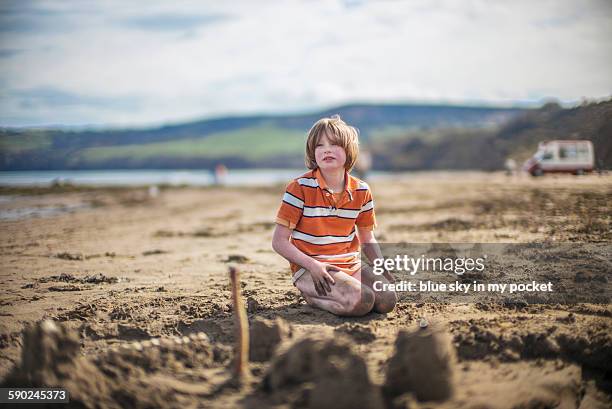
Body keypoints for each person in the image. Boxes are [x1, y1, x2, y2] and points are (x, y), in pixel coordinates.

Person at [272, 115, 396, 316]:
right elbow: (279, 241)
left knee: (387, 300)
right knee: (363, 301)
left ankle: (339, 292)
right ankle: (313, 298)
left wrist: (382, 268)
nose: (327, 149)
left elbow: (367, 238)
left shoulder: (361, 190)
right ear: (313, 152)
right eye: (320, 145)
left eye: (335, 144)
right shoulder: (299, 188)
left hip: (349, 264)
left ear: (349, 151)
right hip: (311, 269)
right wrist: (313, 266)